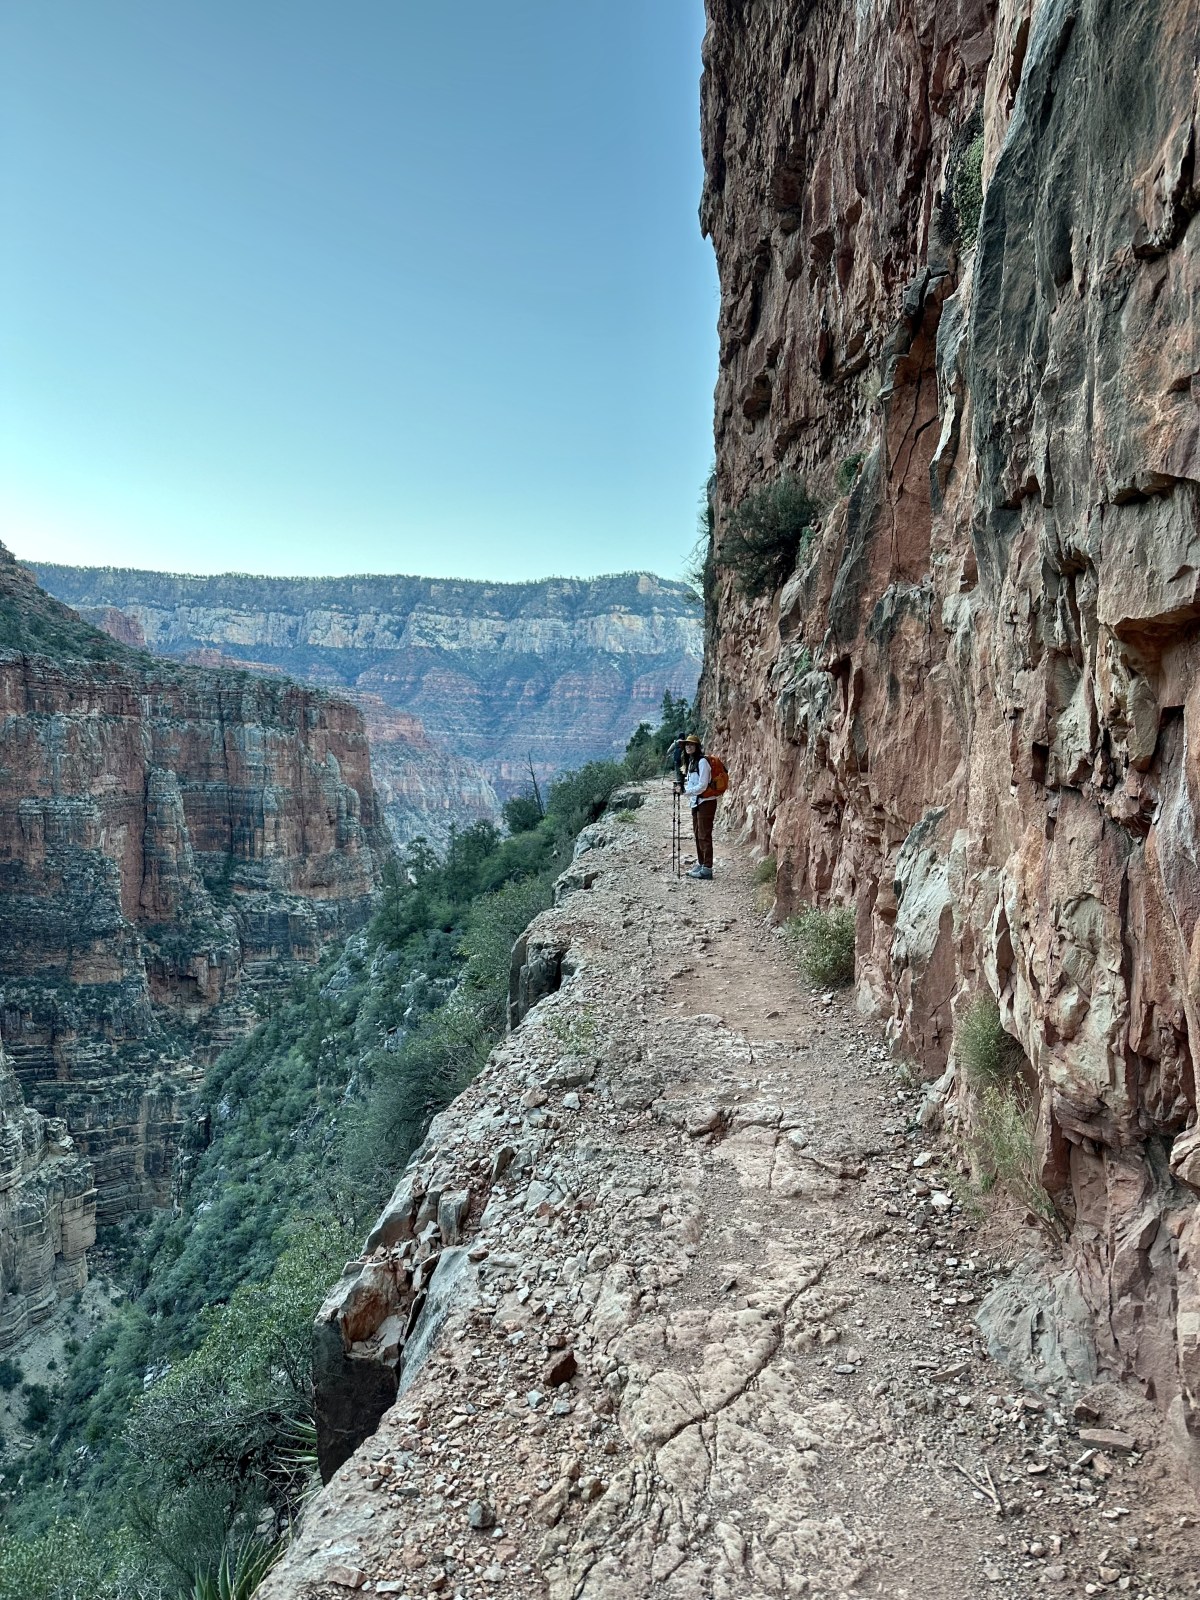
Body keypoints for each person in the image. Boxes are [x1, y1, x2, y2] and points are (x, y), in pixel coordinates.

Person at [677, 732, 718, 880]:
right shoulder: (691, 762)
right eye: (686, 745)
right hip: (697, 802)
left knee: (704, 835)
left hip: (706, 802)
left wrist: (686, 792)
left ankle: (707, 868)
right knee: (697, 834)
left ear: (697, 746)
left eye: (691, 744)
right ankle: (701, 864)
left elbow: (703, 784)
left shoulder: (702, 762)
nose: (688, 747)